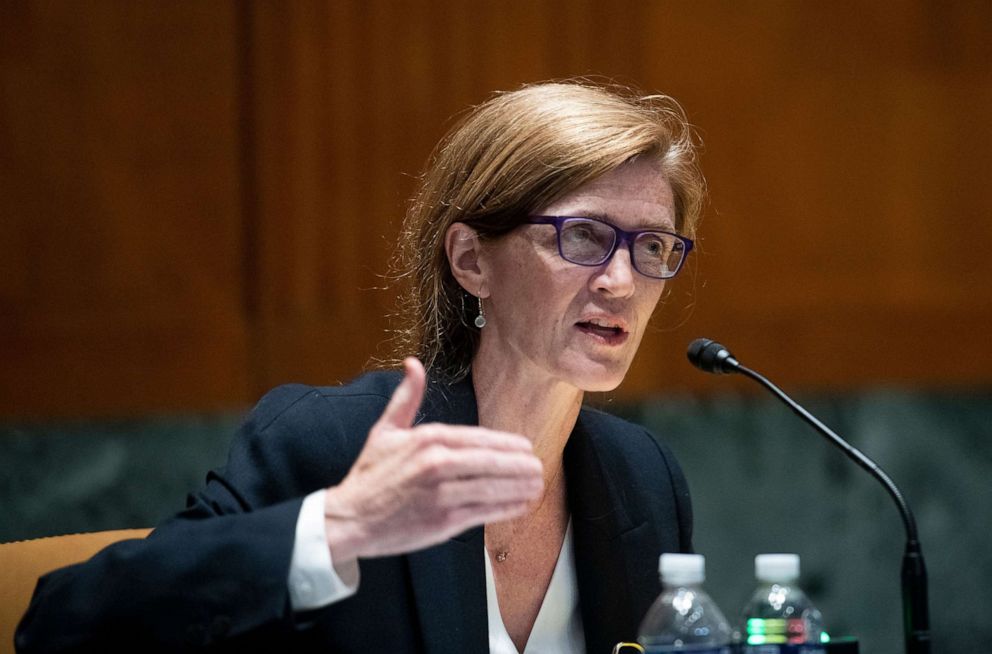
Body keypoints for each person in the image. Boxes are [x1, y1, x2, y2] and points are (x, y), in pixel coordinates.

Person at [16, 80, 704, 654]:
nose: (621, 281)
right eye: (584, 236)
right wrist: (340, 525)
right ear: (471, 261)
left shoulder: (642, 478)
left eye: (652, 247)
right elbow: (63, 625)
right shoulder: (329, 443)